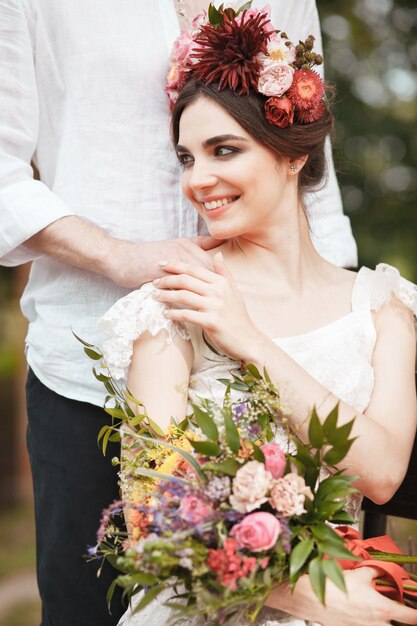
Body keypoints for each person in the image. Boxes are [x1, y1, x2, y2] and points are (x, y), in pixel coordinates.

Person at [0, 1, 356, 625]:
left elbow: (310, 173)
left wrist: (346, 334)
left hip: (267, 377)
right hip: (85, 369)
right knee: (92, 608)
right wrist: (118, 257)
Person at [96, 5, 417, 626]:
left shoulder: (383, 309)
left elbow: (379, 474)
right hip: (212, 606)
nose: (200, 179)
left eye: (224, 150)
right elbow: (150, 520)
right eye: (188, 157)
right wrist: (311, 595)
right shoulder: (172, 311)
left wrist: (250, 341)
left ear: (294, 155)